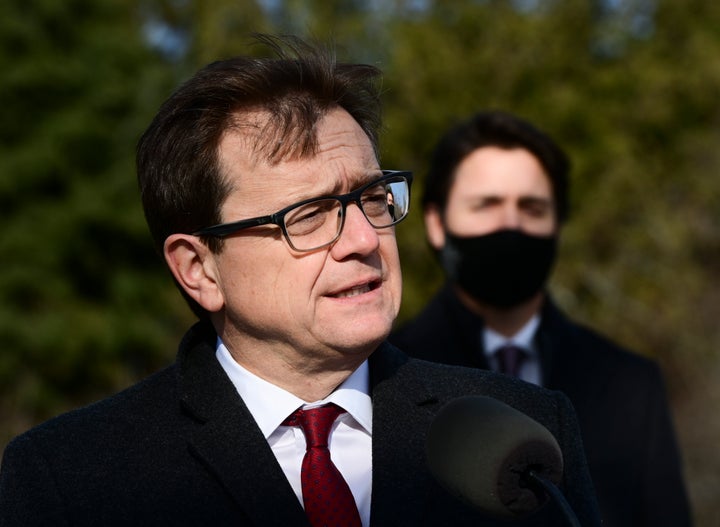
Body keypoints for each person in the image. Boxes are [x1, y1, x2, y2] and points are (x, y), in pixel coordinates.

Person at [0, 37, 601, 526]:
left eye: (370, 197)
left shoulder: (525, 439)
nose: (365, 239)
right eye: (307, 216)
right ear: (199, 269)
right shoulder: (69, 480)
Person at [390, 110, 693, 527]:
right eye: (487, 205)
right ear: (437, 224)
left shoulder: (630, 384)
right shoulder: (381, 375)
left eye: (532, 207)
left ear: (557, 225)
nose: (511, 225)